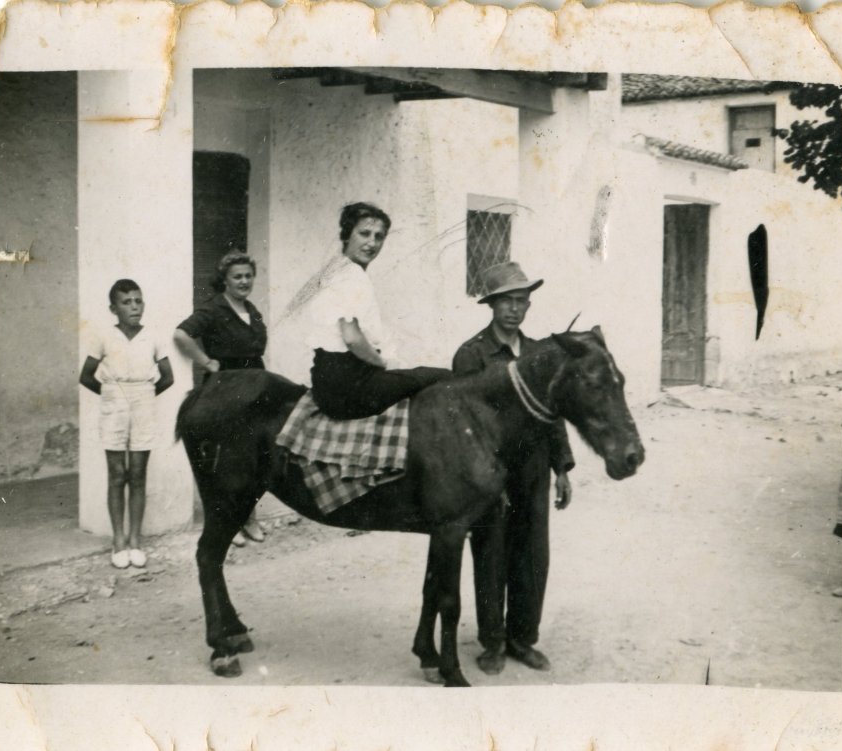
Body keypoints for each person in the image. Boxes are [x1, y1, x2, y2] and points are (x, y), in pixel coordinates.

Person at [452, 261, 575, 674]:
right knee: (491, 554)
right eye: (506, 301)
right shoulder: (471, 354)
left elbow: (552, 413)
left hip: (534, 470)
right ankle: (492, 643)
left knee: (533, 556)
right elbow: (464, 423)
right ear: (491, 305)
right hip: (490, 473)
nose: (514, 309)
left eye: (521, 301)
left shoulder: (540, 353)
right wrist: (482, 477)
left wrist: (562, 468)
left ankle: (523, 639)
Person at [302, 202, 451, 420]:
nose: (372, 243)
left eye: (379, 236)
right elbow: (352, 338)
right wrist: (384, 364)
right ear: (347, 235)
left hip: (326, 386)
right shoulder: (352, 276)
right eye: (364, 233)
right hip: (349, 389)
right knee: (444, 377)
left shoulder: (335, 270)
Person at [174, 250, 268, 544]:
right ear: (225, 280)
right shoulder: (213, 308)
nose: (244, 281)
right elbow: (181, 334)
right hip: (226, 390)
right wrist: (206, 361)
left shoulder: (251, 309)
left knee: (255, 457)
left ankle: (249, 518)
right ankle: (228, 523)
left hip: (255, 388)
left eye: (248, 276)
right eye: (237, 276)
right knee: (228, 458)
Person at [80, 279, 174, 569]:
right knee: (117, 473)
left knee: (138, 473)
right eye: (126, 302)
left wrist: (144, 396)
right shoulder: (103, 336)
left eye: (138, 301)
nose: (134, 307)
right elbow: (86, 376)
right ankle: (118, 541)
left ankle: (135, 540)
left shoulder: (153, 336)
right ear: (114, 308)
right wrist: (113, 395)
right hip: (114, 405)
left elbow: (168, 377)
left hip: (143, 403)